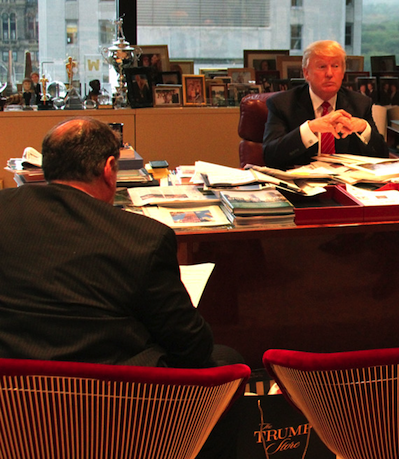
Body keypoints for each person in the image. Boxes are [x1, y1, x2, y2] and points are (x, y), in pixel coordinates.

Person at [0, 117, 242, 458]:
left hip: (13, 404)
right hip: (109, 409)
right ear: (109, 169)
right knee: (226, 362)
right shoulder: (142, 238)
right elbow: (192, 347)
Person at [262, 40, 388, 169]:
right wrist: (310, 129)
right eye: (322, 67)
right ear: (306, 73)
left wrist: (364, 129)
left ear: (343, 72)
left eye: (335, 66)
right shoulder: (282, 104)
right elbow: (270, 157)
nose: (329, 74)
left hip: (346, 180)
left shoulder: (360, 104)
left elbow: (383, 156)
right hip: (301, 179)